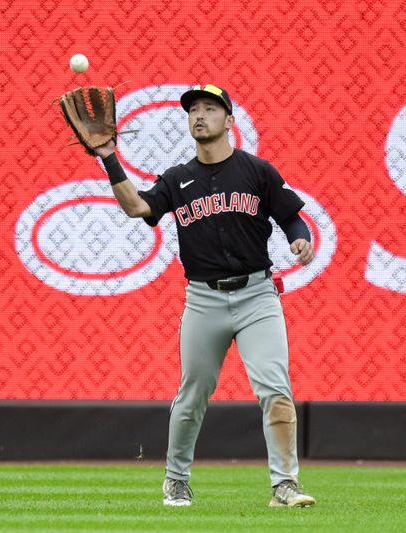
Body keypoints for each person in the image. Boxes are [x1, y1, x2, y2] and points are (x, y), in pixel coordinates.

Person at [94, 84, 316, 508]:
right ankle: (176, 480)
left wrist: (300, 240)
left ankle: (284, 484)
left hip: (257, 297)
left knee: (275, 388)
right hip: (203, 300)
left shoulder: (256, 171)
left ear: (229, 121)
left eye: (210, 109)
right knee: (192, 393)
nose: (199, 115)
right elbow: (137, 208)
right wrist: (109, 157)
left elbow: (292, 218)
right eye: (193, 109)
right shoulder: (178, 180)